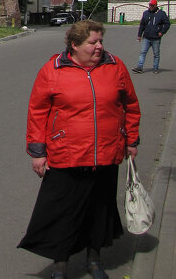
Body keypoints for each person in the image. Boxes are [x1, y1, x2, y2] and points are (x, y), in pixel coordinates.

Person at [18, 20, 140, 279]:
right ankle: (60, 265)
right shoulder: (53, 70)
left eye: (100, 41)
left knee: (99, 210)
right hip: (67, 153)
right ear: (74, 45)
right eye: (92, 42)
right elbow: (37, 112)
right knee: (63, 211)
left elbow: (130, 103)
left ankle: (94, 261)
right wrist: (38, 153)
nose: (99, 47)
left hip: (106, 152)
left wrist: (132, 139)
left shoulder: (115, 66)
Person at [132, 0, 170, 74]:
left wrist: (162, 32)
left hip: (156, 38)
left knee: (156, 54)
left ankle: (155, 68)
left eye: (152, 5)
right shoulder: (145, 13)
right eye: (150, 5)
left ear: (156, 5)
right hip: (146, 37)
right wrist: (139, 35)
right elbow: (142, 25)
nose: (150, 7)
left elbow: (167, 24)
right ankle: (140, 67)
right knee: (143, 52)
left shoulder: (161, 14)